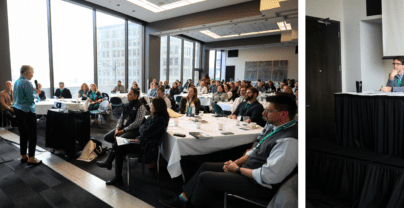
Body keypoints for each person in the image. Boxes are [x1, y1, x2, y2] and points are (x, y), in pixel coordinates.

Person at [161, 94, 298, 208]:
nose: (263, 113)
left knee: (205, 178)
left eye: (268, 111)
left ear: (283, 114)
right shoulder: (274, 126)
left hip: (260, 185)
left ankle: (189, 204)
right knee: (205, 166)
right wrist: (236, 163)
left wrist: (237, 170)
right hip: (249, 170)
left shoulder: (288, 141)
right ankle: (183, 199)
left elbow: (268, 176)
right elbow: (255, 150)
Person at [97, 98, 169, 184]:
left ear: (157, 107)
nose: (150, 106)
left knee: (119, 144)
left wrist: (142, 129)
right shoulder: (153, 115)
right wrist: (143, 129)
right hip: (142, 141)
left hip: (145, 147)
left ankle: (113, 170)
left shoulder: (160, 119)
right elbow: (143, 127)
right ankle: (114, 171)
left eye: (152, 105)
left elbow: (144, 131)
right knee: (118, 142)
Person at [99, 89, 147, 157]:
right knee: (107, 137)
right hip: (123, 127)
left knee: (118, 140)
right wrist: (117, 128)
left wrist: (123, 130)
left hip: (134, 130)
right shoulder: (127, 104)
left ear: (135, 96)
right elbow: (121, 118)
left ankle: (109, 161)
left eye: (130, 94)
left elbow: (137, 123)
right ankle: (120, 150)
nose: (127, 95)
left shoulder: (141, 106)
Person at [13, 65, 43, 165]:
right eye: (32, 72)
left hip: (17, 109)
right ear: (26, 73)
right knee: (32, 135)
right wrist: (37, 94)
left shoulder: (17, 81)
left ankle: (23, 156)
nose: (32, 75)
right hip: (27, 111)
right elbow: (31, 100)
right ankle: (31, 158)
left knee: (23, 133)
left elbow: (16, 96)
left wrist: (33, 91)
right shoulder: (27, 83)